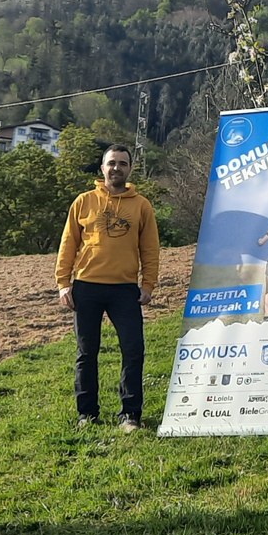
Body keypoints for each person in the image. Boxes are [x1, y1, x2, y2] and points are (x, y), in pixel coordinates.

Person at [56, 144, 161, 432]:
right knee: (87, 352)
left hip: (124, 290)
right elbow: (68, 245)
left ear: (130, 169)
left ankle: (130, 415)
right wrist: (64, 283)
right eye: (111, 163)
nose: (116, 168)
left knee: (133, 350)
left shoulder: (142, 205)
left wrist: (148, 284)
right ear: (102, 168)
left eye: (122, 163)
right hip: (86, 287)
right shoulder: (84, 201)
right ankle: (87, 415)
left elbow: (150, 248)